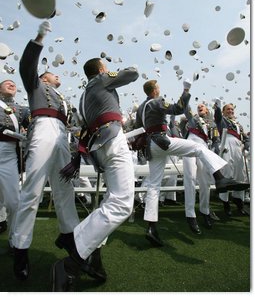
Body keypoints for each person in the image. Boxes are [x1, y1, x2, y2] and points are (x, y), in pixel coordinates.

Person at [51, 57, 139, 291]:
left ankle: (93, 256)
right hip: (112, 141)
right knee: (122, 204)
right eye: (105, 67)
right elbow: (132, 73)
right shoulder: (101, 79)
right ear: (100, 69)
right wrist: (113, 72)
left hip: (99, 147)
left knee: (111, 202)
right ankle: (73, 260)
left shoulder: (83, 96)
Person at [135, 80, 249, 247]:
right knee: (198, 148)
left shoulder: (141, 109)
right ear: (155, 90)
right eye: (158, 88)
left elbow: (140, 128)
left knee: (153, 186)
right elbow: (179, 108)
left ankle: (151, 228)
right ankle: (220, 178)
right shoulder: (158, 101)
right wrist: (186, 89)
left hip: (151, 146)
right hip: (162, 140)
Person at [12, 21, 81, 281]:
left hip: (62, 135)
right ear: (43, 78)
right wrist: (40, 37)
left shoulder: (63, 99)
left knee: (65, 187)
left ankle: (68, 234)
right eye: (54, 74)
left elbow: (72, 125)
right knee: (32, 189)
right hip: (42, 129)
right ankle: (20, 248)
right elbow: (26, 65)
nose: (58, 76)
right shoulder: (36, 86)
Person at [0, 79, 29, 252]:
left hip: (8, 155)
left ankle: (14, 241)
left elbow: (31, 127)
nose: (12, 84)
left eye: (14, 84)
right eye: (6, 83)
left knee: (13, 201)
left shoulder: (22, 110)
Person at [182, 103, 220, 234]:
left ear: (207, 110)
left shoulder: (212, 124)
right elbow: (186, 110)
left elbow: (215, 139)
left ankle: (205, 211)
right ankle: (190, 215)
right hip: (189, 146)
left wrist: (216, 148)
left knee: (205, 182)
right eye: (198, 106)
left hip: (204, 148)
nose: (200, 107)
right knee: (190, 179)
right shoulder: (193, 119)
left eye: (202, 106)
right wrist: (186, 94)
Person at [214, 100, 249, 216]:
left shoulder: (239, 125)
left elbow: (245, 138)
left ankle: (239, 204)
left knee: (240, 175)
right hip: (226, 146)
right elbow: (218, 117)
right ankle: (226, 205)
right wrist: (218, 107)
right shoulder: (222, 121)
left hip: (239, 148)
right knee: (227, 173)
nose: (230, 111)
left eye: (232, 109)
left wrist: (247, 146)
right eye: (228, 109)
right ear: (224, 112)